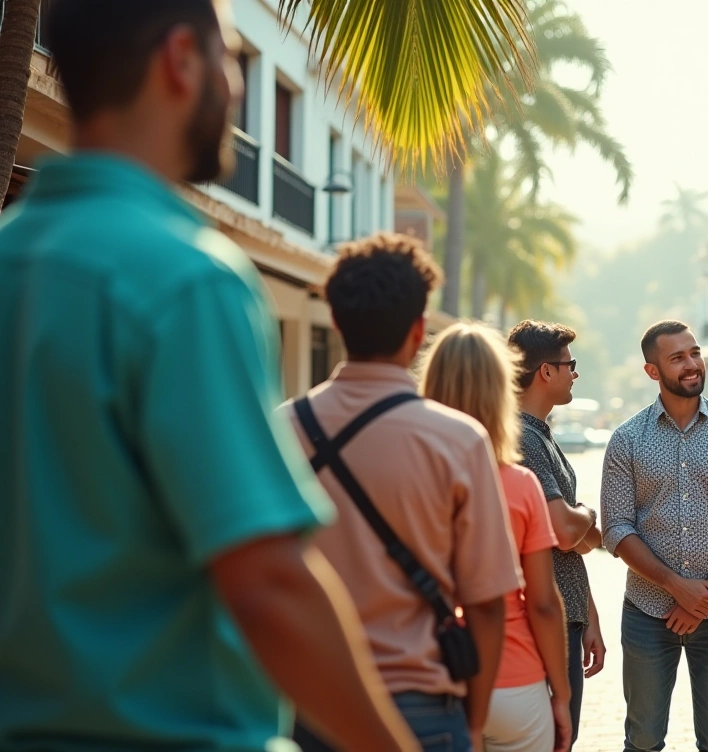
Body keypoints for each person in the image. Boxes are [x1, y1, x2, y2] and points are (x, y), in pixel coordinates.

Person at [0, 1, 417, 749]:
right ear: (180, 60)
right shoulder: (186, 278)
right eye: (230, 58)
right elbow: (271, 585)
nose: (235, 86)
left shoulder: (13, 259)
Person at [284, 234, 521, 752]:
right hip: (420, 711)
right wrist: (473, 725)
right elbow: (486, 605)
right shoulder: (458, 440)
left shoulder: (280, 431)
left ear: (338, 323)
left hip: (303, 704)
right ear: (419, 330)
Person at [601, 320, 708, 752]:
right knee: (641, 739)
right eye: (677, 358)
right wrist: (676, 586)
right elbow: (617, 529)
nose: (692, 364)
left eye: (694, 353)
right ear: (652, 371)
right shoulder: (626, 440)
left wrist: (705, 596)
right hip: (646, 613)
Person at [422, 322, 573, 752]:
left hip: (435, 677)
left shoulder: (411, 475)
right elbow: (542, 603)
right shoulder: (520, 483)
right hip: (516, 688)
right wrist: (560, 695)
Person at [508, 319, 606, 749]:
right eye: (570, 364)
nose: (575, 373)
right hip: (543, 621)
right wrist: (586, 512)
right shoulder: (524, 439)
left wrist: (591, 616)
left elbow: (582, 542)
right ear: (545, 372)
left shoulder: (542, 436)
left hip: (567, 616)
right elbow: (570, 533)